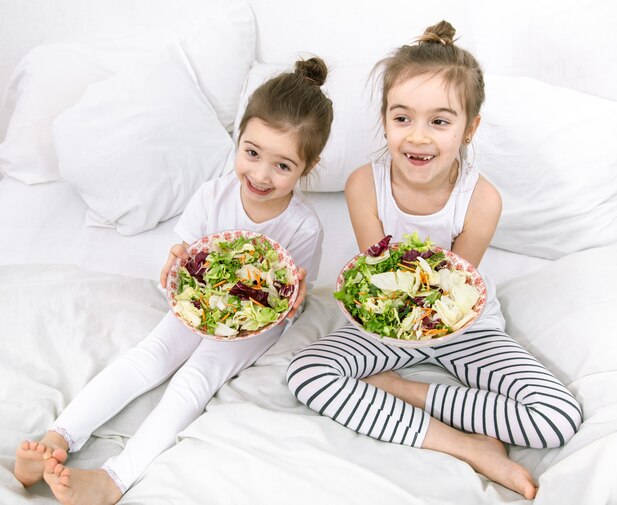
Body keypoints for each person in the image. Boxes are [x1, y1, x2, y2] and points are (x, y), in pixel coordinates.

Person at [14, 57, 334, 505]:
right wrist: (175, 263)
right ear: (237, 140)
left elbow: (296, 301)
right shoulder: (212, 195)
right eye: (252, 153)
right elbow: (183, 256)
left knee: (194, 381)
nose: (261, 175)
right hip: (199, 305)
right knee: (147, 357)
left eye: (283, 166)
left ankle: (114, 479)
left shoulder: (303, 228)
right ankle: (58, 436)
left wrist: (292, 294)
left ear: (308, 166)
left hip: (253, 323)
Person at [286, 21, 582, 500]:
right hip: (387, 324)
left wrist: (407, 385)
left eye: (440, 121)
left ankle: (401, 390)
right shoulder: (365, 184)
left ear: (470, 129)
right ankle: (467, 447)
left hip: (462, 325)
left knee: (557, 416)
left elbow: (449, 290)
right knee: (305, 374)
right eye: (402, 118)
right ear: (384, 119)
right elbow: (376, 277)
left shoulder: (482, 199)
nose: (417, 137)